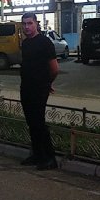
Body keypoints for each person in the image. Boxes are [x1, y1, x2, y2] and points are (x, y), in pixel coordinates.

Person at [20, 12, 59, 170]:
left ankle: (50, 158)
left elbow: (55, 68)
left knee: (39, 123)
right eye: (24, 24)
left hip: (39, 89)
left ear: (36, 24)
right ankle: (37, 155)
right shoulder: (26, 43)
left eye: (29, 23)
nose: (26, 27)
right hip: (26, 88)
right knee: (31, 123)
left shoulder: (45, 42)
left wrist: (47, 83)